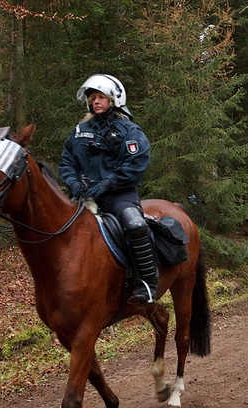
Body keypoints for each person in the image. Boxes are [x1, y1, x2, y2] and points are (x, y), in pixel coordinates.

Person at [59, 73, 158, 304]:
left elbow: (136, 164)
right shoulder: (79, 131)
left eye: (100, 97)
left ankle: (147, 283)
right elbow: (67, 162)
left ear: (114, 99)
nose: (95, 101)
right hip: (84, 197)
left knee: (135, 224)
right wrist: (74, 184)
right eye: (92, 98)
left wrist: (106, 184)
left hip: (119, 196)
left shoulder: (129, 130)